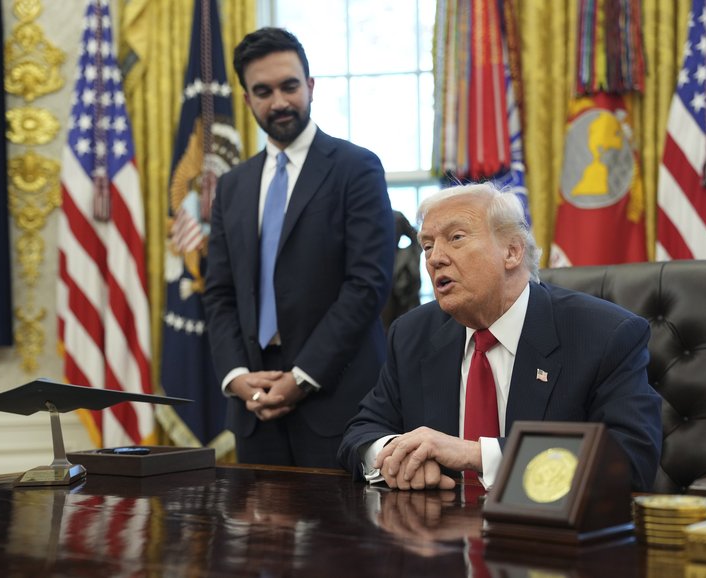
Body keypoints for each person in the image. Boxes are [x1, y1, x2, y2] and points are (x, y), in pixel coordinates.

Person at [337, 182, 662, 491]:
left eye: (456, 237)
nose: (435, 258)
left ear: (512, 252)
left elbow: (629, 459)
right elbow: (361, 433)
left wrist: (477, 455)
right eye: (427, 245)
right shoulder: (411, 334)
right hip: (438, 537)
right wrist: (397, 454)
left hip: (549, 537)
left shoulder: (603, 335)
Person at [203, 27, 394, 467]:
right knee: (258, 538)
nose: (279, 102)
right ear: (248, 99)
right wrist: (236, 378)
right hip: (255, 409)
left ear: (310, 86)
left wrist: (302, 378)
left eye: (290, 86)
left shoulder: (357, 168)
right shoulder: (232, 187)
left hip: (340, 403)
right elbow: (219, 294)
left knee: (346, 534)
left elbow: (367, 285)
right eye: (263, 91)